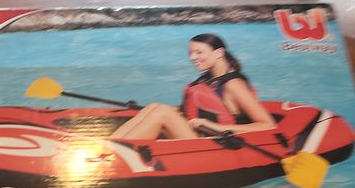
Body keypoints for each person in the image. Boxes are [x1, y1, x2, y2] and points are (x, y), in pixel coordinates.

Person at [110, 33, 276, 140]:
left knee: (162, 113)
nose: (192, 58)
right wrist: (178, 110)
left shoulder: (234, 85)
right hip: (198, 135)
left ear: (218, 53)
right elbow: (201, 108)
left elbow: (267, 125)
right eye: (190, 53)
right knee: (155, 107)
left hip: (214, 144)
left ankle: (113, 153)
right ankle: (110, 145)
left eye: (198, 52)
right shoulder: (209, 79)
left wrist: (215, 127)